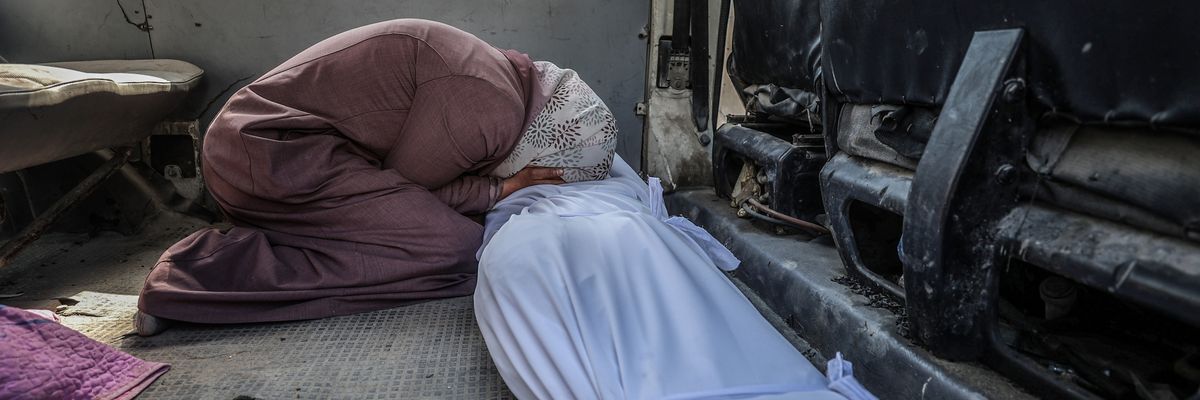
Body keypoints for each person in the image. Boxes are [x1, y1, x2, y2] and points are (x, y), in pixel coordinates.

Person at [135, 19, 618, 336]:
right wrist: (500, 188)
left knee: (435, 237)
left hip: (268, 151)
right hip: (268, 155)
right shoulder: (488, 110)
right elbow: (409, 191)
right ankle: (199, 271)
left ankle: (288, 235)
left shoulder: (502, 77)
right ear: (550, 145)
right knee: (455, 248)